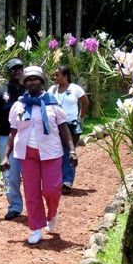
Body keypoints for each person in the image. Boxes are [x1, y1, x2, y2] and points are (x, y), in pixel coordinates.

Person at [0, 66, 78, 245]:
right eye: (28, 79)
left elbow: (63, 127)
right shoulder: (19, 105)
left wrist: (72, 150)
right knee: (31, 192)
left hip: (51, 152)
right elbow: (12, 132)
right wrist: (6, 156)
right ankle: (35, 228)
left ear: (42, 81)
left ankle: (52, 214)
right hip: (27, 154)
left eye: (36, 79)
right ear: (24, 83)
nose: (32, 82)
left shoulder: (52, 102)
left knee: (51, 189)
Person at [0, 58, 26, 220]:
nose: (17, 71)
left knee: (30, 173)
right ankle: (15, 206)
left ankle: (35, 205)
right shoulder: (1, 93)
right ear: (8, 72)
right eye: (13, 69)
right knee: (9, 174)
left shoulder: (28, 90)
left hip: (27, 137)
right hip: (5, 137)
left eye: (19, 68)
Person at [47, 65, 89, 193]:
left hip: (71, 125)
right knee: (57, 152)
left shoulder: (75, 89)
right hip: (55, 126)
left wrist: (80, 117)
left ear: (65, 76)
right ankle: (59, 179)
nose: (55, 77)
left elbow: (85, 102)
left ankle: (67, 181)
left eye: (57, 75)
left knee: (68, 151)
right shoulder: (52, 90)